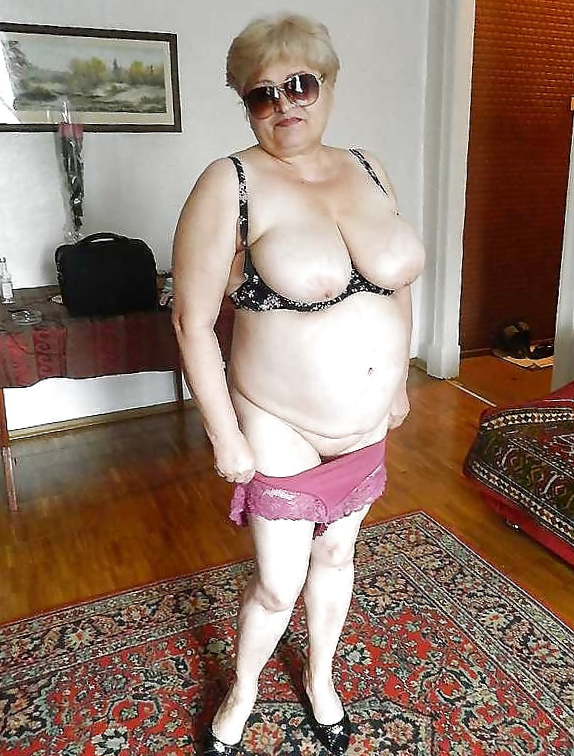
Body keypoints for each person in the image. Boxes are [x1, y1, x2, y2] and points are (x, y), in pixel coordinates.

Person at [171, 12, 425, 755]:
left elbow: (398, 284)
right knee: (278, 584)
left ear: (329, 85)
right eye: (262, 93)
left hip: (367, 423)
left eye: (301, 84)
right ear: (244, 103)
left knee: (338, 557)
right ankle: (244, 690)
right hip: (278, 422)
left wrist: (399, 380)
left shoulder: (370, 167)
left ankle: (320, 679)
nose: (284, 104)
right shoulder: (230, 182)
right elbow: (191, 322)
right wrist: (225, 437)